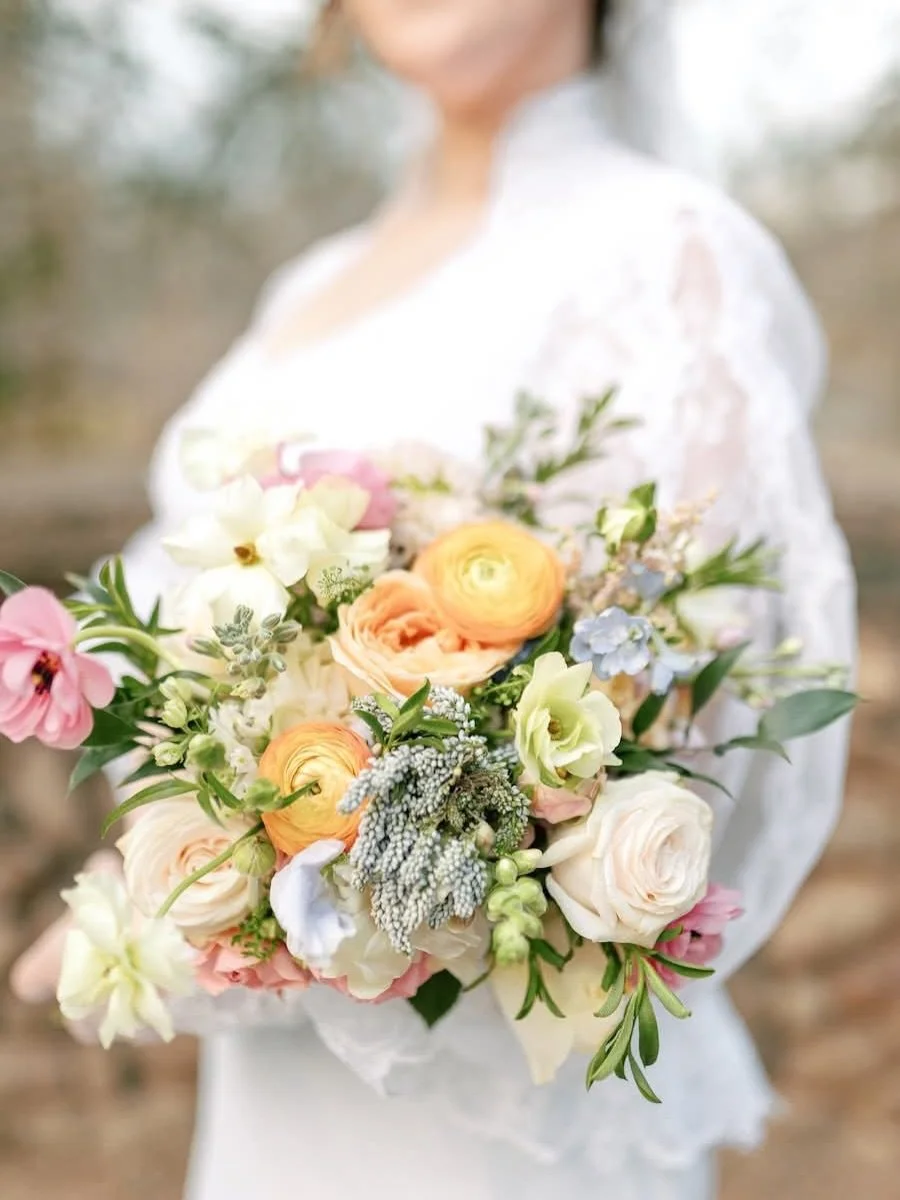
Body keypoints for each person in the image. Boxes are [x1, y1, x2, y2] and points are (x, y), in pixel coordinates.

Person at [12, 2, 856, 1197]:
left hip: (509, 1123)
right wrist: (175, 855)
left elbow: (693, 694)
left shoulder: (670, 250)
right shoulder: (310, 281)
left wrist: (230, 917)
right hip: (277, 1126)